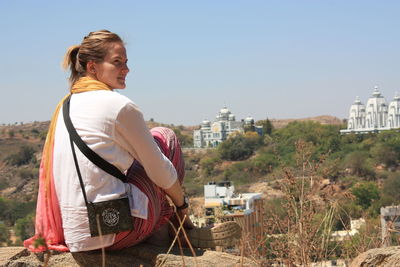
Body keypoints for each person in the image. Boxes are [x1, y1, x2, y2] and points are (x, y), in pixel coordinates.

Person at [24, 30, 240, 252]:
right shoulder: (117, 105)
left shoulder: (65, 106)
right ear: (92, 67)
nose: (126, 69)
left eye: (126, 62)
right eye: (117, 62)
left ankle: (170, 231)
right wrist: (182, 205)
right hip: (115, 231)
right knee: (165, 137)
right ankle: (178, 229)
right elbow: (160, 170)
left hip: (76, 235)